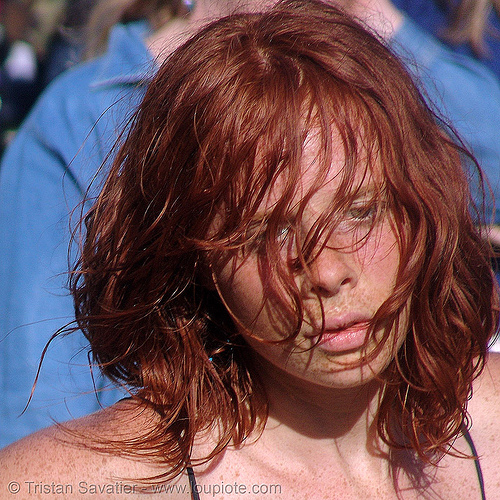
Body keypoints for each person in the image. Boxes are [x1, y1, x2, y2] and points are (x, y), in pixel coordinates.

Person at [2, 2, 499, 498]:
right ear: (192, 260)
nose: (327, 271)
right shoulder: (71, 482)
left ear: (425, 203)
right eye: (266, 235)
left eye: (359, 211)